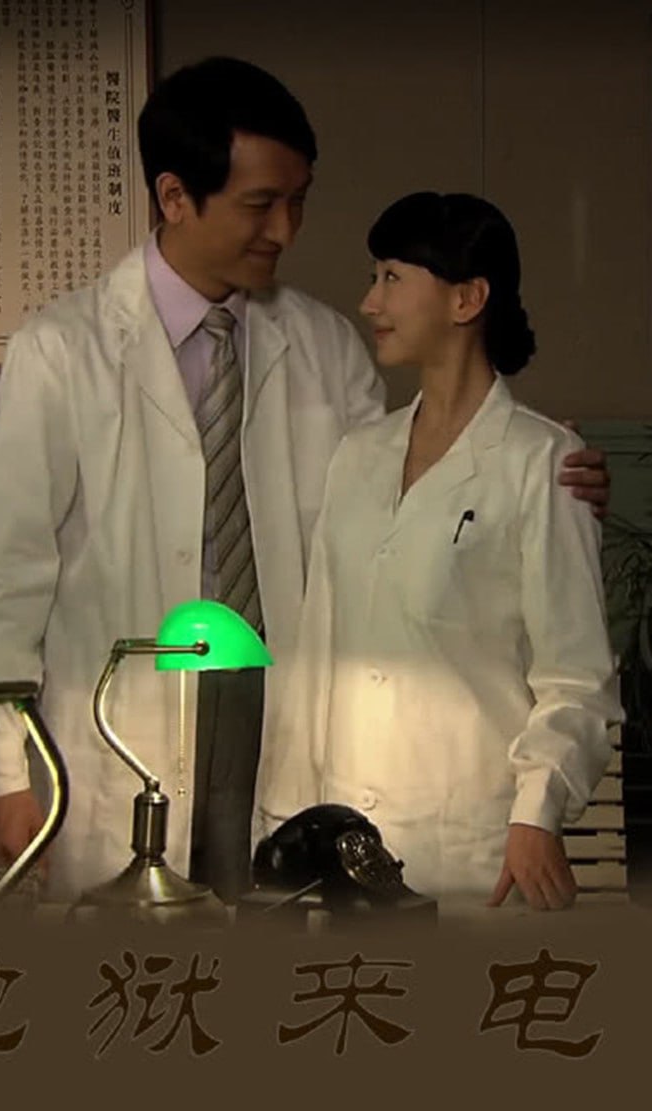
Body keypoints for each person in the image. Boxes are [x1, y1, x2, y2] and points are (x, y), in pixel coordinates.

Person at [0, 59, 610, 906]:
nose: (285, 229)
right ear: (175, 196)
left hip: (288, 732)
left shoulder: (325, 347)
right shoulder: (61, 351)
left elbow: (397, 506)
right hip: (125, 732)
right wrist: (1, 771)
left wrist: (540, 469)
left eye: (298, 200)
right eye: (260, 204)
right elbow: (1, 575)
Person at [254, 192, 623, 912]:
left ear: (466, 298)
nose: (370, 301)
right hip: (341, 848)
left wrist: (536, 814)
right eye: (373, 277)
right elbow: (319, 652)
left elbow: (575, 676)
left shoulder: (542, 462)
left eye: (392, 277)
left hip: (474, 849)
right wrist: (287, 818)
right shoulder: (357, 457)